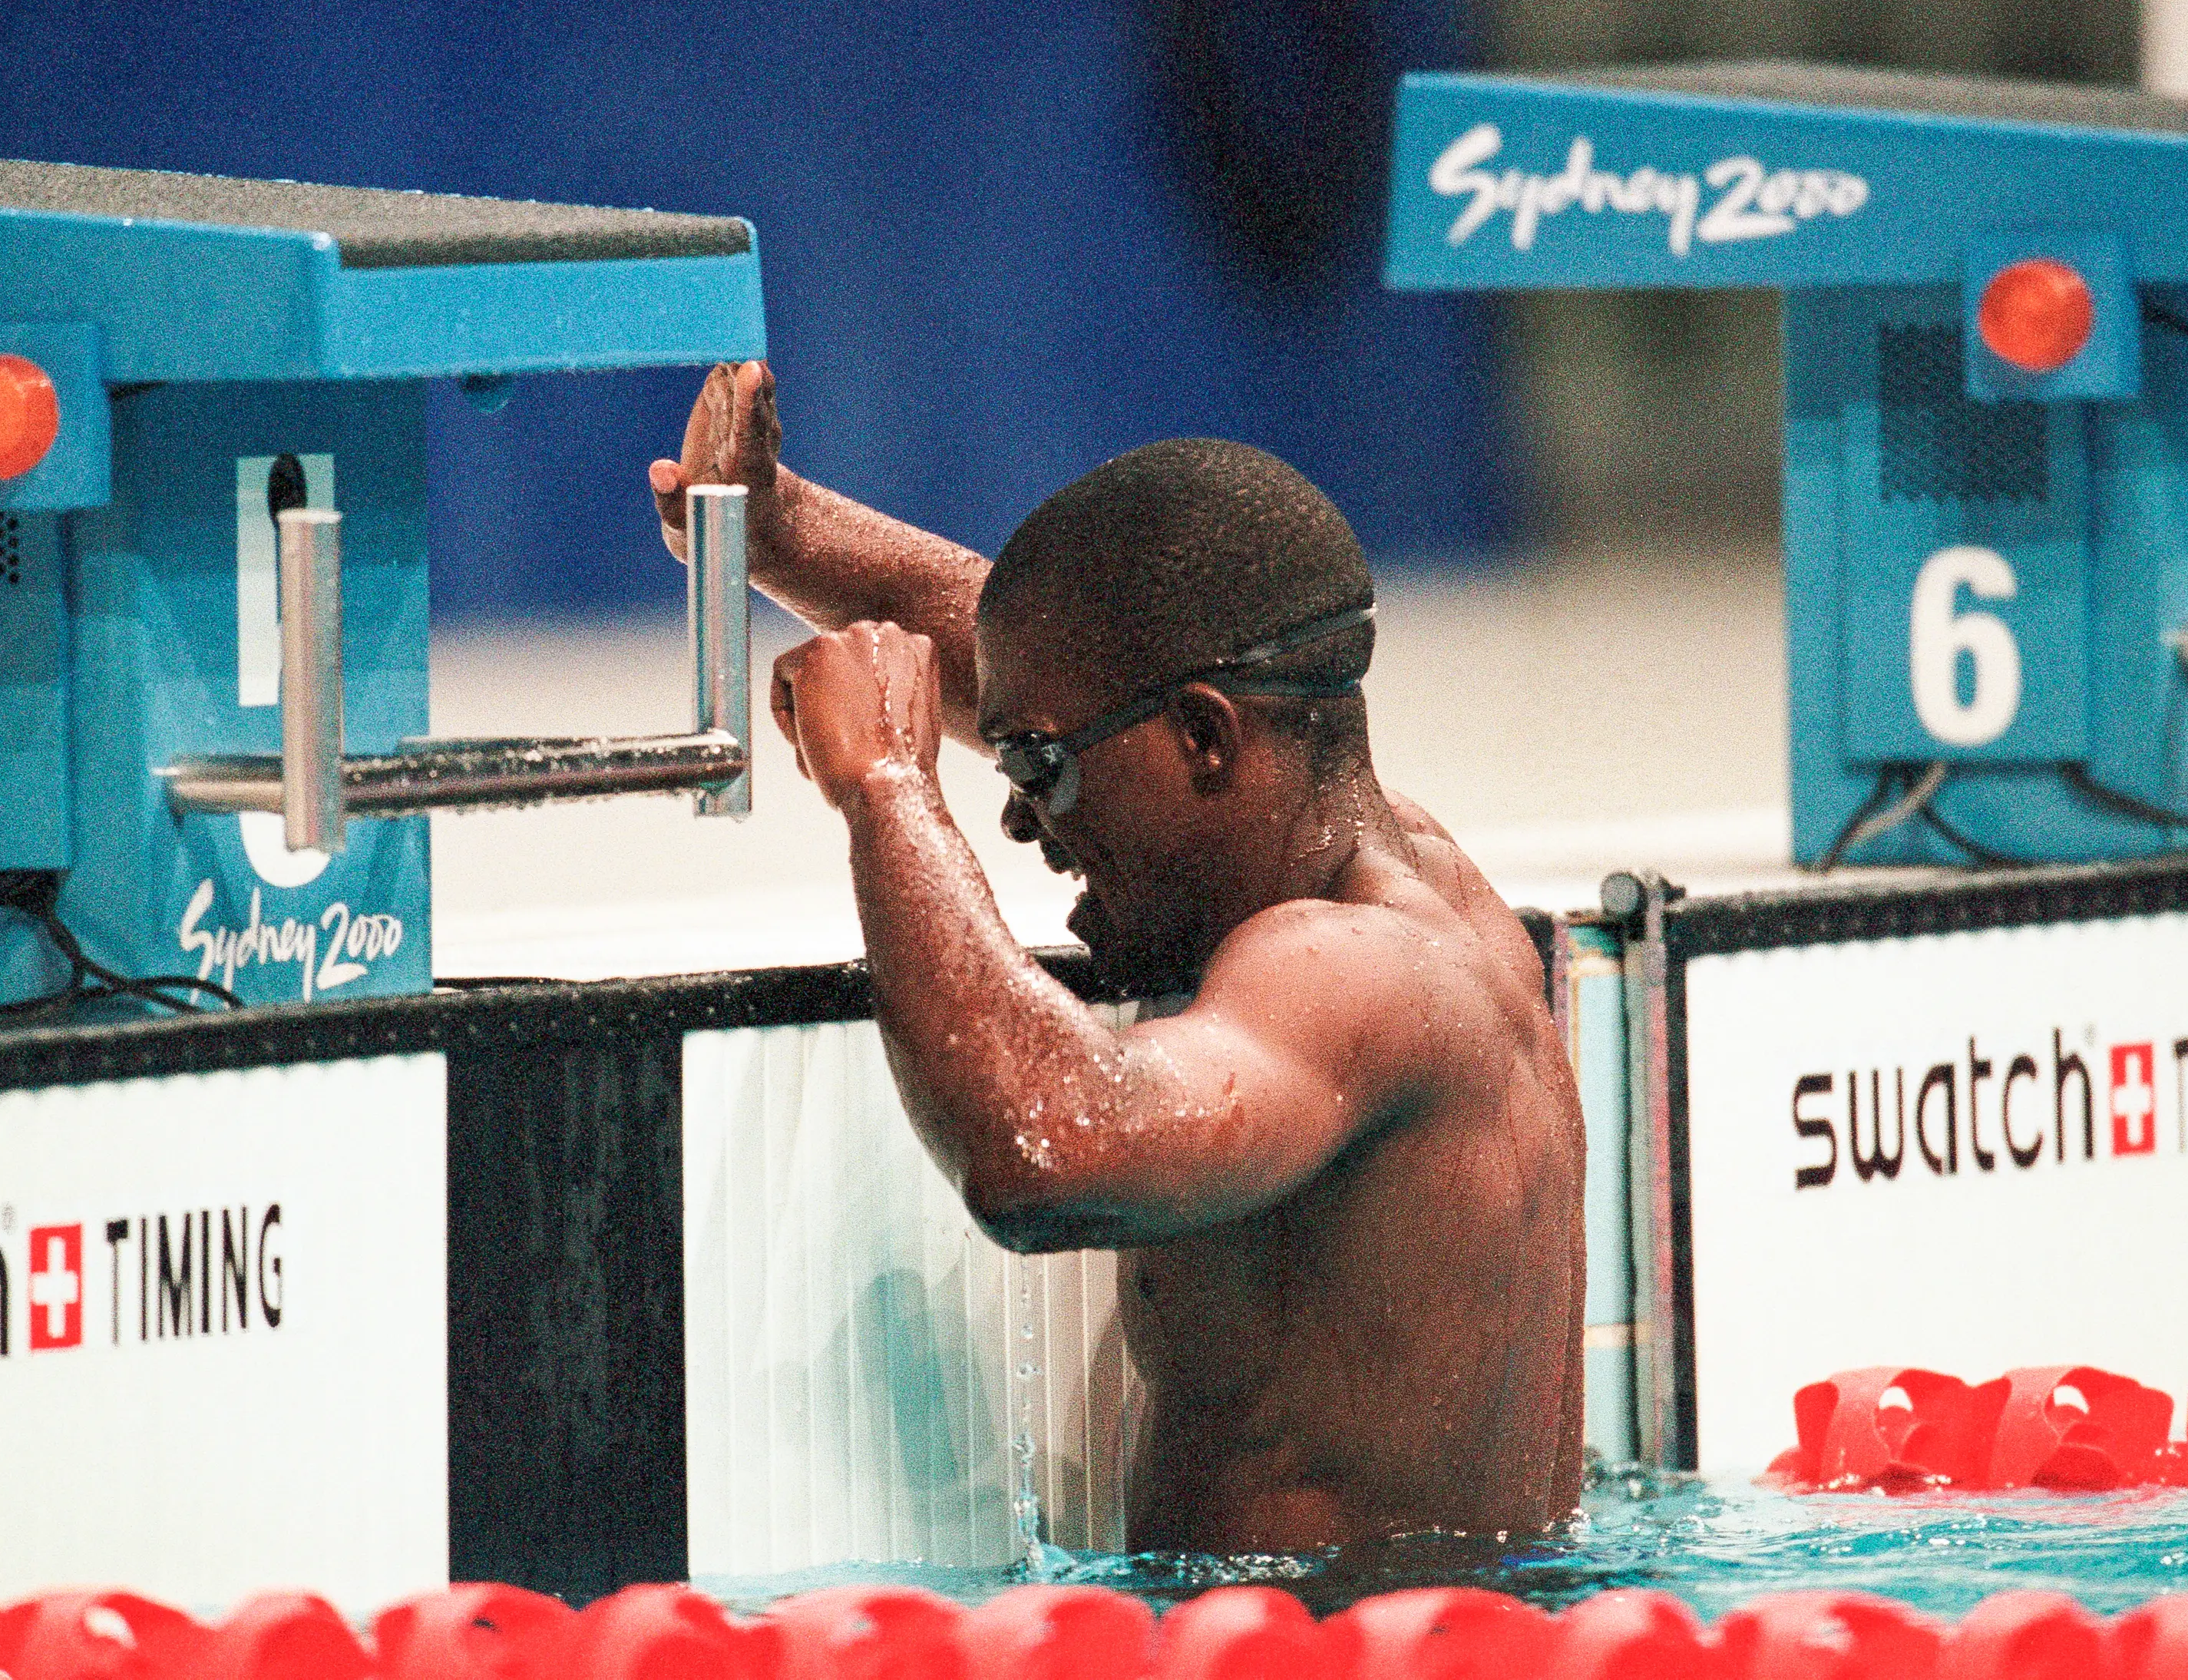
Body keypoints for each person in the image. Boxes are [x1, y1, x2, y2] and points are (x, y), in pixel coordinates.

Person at [649, 362, 1584, 1553]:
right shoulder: (1409, 879)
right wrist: (773, 527)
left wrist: (886, 788)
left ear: (1205, 734)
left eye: (1036, 765)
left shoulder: (1350, 974)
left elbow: (1045, 1150)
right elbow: (1079, 663)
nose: (1018, 815)